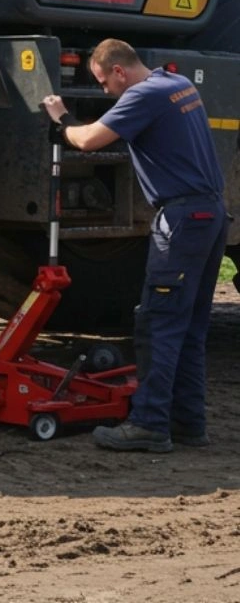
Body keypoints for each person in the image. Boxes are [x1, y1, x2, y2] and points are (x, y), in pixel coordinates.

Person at [42, 38, 228, 453]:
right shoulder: (178, 84)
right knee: (190, 326)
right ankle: (188, 424)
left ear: (120, 71)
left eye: (104, 81)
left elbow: (89, 141)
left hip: (180, 221)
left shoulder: (144, 95)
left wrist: (62, 118)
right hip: (211, 216)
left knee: (157, 324)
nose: (106, 91)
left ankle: (148, 424)